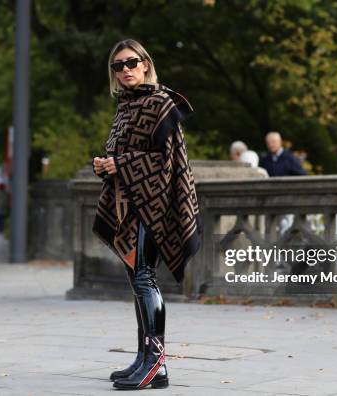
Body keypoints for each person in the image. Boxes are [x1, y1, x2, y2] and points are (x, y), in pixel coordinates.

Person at [91, 38, 202, 390]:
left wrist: (120, 162)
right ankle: (148, 361)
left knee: (144, 278)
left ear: (145, 63)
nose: (125, 70)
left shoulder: (160, 103)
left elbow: (166, 162)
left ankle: (155, 361)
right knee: (137, 280)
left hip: (155, 204)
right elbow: (123, 152)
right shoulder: (125, 107)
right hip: (130, 204)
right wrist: (105, 164)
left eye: (131, 62)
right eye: (118, 65)